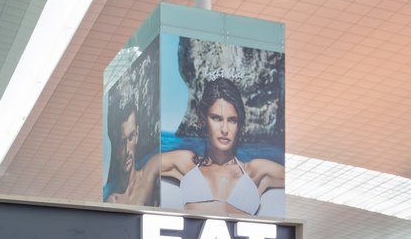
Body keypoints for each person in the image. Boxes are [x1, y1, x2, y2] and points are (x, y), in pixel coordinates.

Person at [154, 77, 285, 216]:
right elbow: (145, 166)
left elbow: (300, 180)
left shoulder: (255, 171)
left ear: (239, 125)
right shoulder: (186, 163)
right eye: (216, 118)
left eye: (232, 120)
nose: (224, 129)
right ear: (203, 119)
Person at [104, 97, 157, 205]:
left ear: (137, 135)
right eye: (122, 142)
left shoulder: (150, 171)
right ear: (116, 147)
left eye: (131, 137)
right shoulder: (113, 201)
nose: (128, 150)